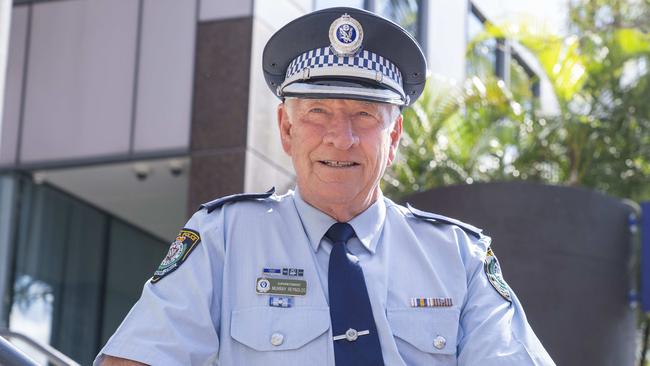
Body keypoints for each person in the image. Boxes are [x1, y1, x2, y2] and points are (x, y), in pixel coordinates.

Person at [96, 7, 555, 366]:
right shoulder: (223, 238)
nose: (341, 137)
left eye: (364, 115)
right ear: (286, 128)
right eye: (318, 112)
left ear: (393, 138)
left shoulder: (459, 258)